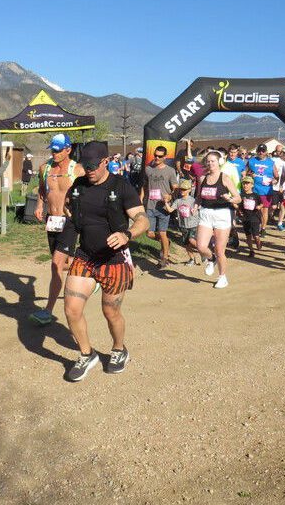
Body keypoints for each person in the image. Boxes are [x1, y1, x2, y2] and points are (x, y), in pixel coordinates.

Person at [61, 141, 148, 382]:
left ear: (105, 162)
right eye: (84, 166)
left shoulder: (121, 187)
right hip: (85, 256)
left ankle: (119, 349)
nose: (88, 170)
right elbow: (70, 215)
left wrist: (127, 235)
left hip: (114, 259)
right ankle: (86, 354)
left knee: (110, 311)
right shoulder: (78, 186)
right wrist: (66, 246)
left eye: (93, 166)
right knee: (71, 309)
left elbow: (142, 219)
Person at [30, 134, 84, 326]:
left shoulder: (77, 170)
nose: (54, 153)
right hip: (52, 221)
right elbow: (43, 191)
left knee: (55, 264)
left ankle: (48, 311)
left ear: (68, 149)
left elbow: (86, 194)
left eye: (58, 150)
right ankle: (88, 271)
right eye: (52, 149)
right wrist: (39, 206)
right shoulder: (44, 169)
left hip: (69, 221)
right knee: (61, 265)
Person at [194, 151, 241, 288]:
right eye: (208, 161)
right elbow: (199, 196)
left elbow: (238, 198)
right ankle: (211, 258)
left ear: (219, 162)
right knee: (201, 246)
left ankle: (222, 277)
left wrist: (230, 199)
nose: (210, 163)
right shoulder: (202, 178)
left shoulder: (225, 178)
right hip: (206, 213)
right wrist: (195, 205)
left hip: (222, 214)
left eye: (213, 161)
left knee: (220, 250)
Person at [141, 145, 179, 268]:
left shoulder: (170, 171)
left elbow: (175, 188)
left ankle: (164, 258)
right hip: (150, 206)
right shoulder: (148, 169)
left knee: (162, 232)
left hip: (163, 207)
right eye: (155, 155)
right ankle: (166, 242)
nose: (157, 157)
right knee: (149, 233)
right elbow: (144, 185)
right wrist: (141, 198)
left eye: (160, 156)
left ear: (165, 157)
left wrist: (170, 196)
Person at [162, 178, 201, 265]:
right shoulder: (178, 201)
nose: (182, 191)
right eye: (181, 189)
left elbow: (198, 208)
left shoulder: (193, 200)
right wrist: (165, 203)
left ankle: (203, 251)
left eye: (184, 189)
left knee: (191, 240)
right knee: (186, 244)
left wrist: (196, 209)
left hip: (193, 224)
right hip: (183, 225)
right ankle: (191, 259)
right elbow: (170, 210)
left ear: (189, 190)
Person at [248, 144, 279, 233]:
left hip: (266, 191)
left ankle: (263, 228)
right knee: (255, 210)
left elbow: (276, 176)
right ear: (257, 151)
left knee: (264, 210)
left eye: (263, 151)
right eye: (259, 151)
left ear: (266, 152)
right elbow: (245, 173)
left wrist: (275, 181)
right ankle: (255, 226)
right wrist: (250, 175)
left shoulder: (271, 162)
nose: (261, 152)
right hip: (254, 190)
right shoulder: (251, 161)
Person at [237, 177, 263, 256]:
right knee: (248, 235)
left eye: (247, 183)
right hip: (245, 218)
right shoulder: (241, 195)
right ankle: (251, 251)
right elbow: (238, 205)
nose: (245, 185)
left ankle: (258, 243)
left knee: (256, 236)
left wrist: (259, 207)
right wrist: (239, 211)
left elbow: (261, 203)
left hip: (255, 217)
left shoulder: (255, 195)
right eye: (244, 183)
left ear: (252, 185)